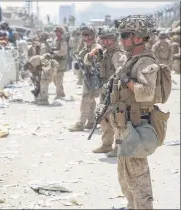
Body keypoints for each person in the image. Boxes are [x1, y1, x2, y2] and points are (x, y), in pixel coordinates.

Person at [113, 14, 161, 209]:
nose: (122, 40)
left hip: (137, 124)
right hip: (124, 124)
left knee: (138, 177)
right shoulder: (131, 59)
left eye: (126, 35)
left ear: (139, 38)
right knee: (125, 175)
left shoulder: (145, 62)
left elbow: (146, 93)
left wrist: (126, 80)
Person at [92, 28, 127, 157]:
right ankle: (106, 144)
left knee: (116, 120)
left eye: (107, 39)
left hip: (114, 91)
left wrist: (116, 89)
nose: (104, 41)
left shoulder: (117, 54)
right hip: (105, 89)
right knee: (102, 117)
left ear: (114, 39)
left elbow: (121, 71)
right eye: (103, 39)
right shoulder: (106, 52)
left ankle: (118, 147)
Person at [69, 25, 102, 132]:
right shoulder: (85, 46)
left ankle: (81, 122)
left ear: (92, 35)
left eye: (87, 34)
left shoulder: (96, 47)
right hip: (87, 75)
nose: (84, 37)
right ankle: (91, 120)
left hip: (94, 76)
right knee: (90, 100)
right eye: (83, 35)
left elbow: (94, 60)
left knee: (86, 98)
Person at [51, 26, 68, 100]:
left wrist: (54, 52)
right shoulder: (55, 40)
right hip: (55, 62)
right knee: (54, 79)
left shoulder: (63, 41)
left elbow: (63, 52)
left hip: (60, 62)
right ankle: (61, 92)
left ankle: (58, 95)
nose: (57, 33)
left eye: (58, 32)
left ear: (61, 33)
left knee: (59, 79)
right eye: (56, 31)